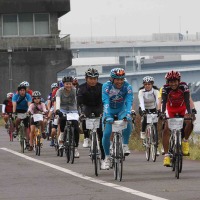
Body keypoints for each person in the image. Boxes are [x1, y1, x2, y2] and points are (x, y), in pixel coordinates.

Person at [102, 68, 133, 169]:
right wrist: (107, 115)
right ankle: (107, 157)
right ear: (112, 79)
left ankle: (125, 144)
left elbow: (129, 101)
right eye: (117, 79)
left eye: (121, 79)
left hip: (121, 109)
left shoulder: (127, 86)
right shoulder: (106, 86)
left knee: (128, 121)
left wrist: (128, 113)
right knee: (107, 134)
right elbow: (105, 101)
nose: (119, 82)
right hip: (109, 110)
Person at [161, 70, 193, 166]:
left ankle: (185, 142)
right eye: (171, 82)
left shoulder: (184, 87)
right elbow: (164, 102)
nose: (173, 83)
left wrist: (190, 113)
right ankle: (166, 156)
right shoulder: (165, 89)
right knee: (166, 129)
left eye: (175, 81)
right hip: (170, 110)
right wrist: (162, 113)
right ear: (168, 82)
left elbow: (187, 101)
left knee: (189, 122)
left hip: (182, 109)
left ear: (179, 81)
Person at [77, 68, 106, 169]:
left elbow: (105, 101)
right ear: (86, 79)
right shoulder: (81, 88)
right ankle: (86, 137)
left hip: (98, 107)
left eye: (95, 78)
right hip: (87, 107)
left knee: (101, 134)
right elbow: (79, 103)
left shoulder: (102, 87)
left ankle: (103, 159)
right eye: (90, 78)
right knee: (85, 116)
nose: (93, 80)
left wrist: (104, 113)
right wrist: (81, 113)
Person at [55, 76, 80, 158]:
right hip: (63, 109)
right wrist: (58, 110)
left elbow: (77, 101)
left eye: (70, 84)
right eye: (66, 84)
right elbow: (58, 100)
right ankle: (62, 134)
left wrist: (80, 111)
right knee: (62, 119)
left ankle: (75, 148)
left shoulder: (75, 90)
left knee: (76, 126)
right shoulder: (59, 91)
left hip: (73, 109)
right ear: (63, 84)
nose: (68, 85)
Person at [138, 76, 160, 155]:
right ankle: (143, 132)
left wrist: (158, 110)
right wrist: (143, 111)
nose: (147, 86)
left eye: (149, 84)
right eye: (145, 84)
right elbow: (141, 101)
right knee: (145, 118)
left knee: (154, 126)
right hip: (144, 108)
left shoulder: (156, 91)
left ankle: (156, 148)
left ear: (152, 84)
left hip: (153, 108)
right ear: (143, 85)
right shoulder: (141, 91)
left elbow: (158, 101)